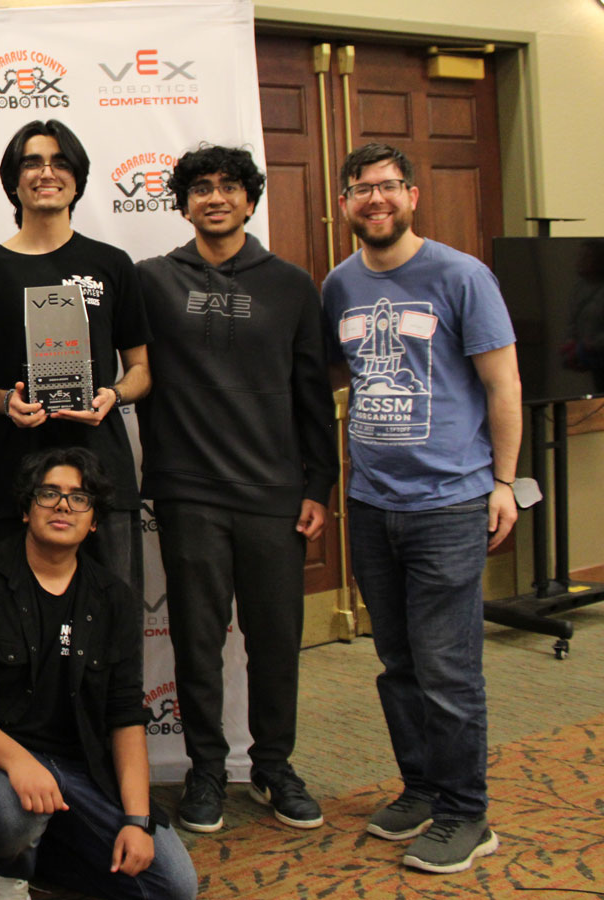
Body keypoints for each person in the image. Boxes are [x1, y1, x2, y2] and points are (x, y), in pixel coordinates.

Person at [323, 142, 521, 874]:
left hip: (450, 503)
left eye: (388, 187)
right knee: (397, 660)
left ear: (411, 195)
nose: (375, 201)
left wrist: (502, 482)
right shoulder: (339, 285)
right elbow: (341, 377)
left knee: (447, 666)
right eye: (360, 190)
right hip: (373, 502)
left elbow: (503, 385)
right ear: (343, 203)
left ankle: (468, 815)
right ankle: (422, 788)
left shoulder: (462, 276)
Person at [135, 145, 338, 833]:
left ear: (250, 201)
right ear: (184, 203)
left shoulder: (290, 284)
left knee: (276, 640)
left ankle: (274, 768)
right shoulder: (152, 280)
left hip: (274, 495)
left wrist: (320, 485)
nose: (214, 197)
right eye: (199, 188)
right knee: (195, 642)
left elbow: (312, 394)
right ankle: (208, 772)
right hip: (189, 492)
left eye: (228, 187)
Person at [0, 447, 197, 900]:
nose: (64, 505)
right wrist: (18, 762)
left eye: (79, 498)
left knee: (172, 886)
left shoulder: (114, 599)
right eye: (49, 494)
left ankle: (34, 849)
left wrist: (137, 820)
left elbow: (125, 716)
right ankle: (4, 867)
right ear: (27, 510)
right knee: (12, 817)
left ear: (93, 522)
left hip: (77, 768)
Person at [0, 119, 151, 597]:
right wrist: (6, 402)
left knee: (113, 628)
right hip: (13, 479)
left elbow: (141, 371)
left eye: (60, 162)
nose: (46, 173)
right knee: (11, 632)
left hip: (101, 476)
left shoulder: (112, 264)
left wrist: (115, 393)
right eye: (32, 162)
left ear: (77, 178)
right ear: (13, 180)